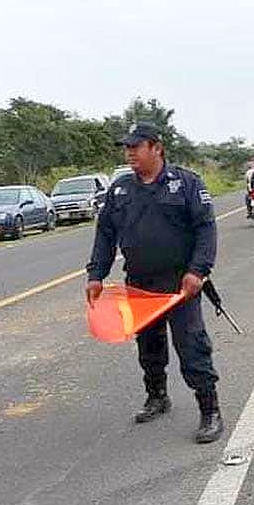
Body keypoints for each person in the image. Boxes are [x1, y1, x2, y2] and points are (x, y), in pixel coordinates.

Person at [85, 122, 224, 444]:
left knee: (192, 347)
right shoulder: (120, 189)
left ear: (156, 147)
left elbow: (205, 229)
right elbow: (105, 235)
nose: (130, 152)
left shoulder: (186, 183)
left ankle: (210, 410)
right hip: (139, 285)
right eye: (127, 147)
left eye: (136, 146)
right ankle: (157, 396)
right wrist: (96, 275)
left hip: (180, 285)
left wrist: (198, 271)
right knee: (149, 347)